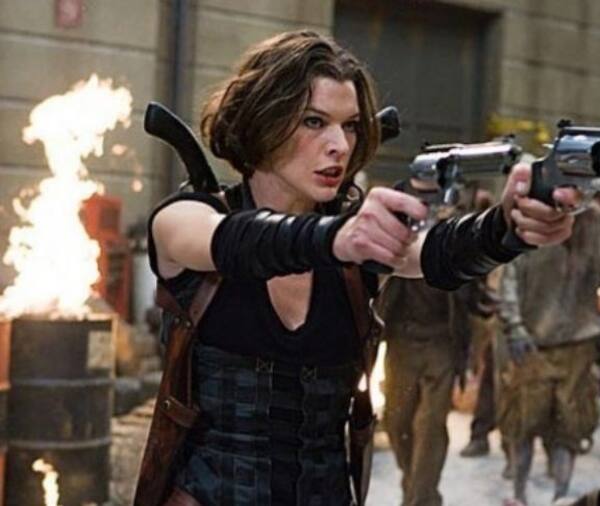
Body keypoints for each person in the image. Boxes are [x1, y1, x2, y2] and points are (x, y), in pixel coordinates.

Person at [138, 30, 576, 506]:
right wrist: (338, 237)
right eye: (314, 121)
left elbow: (438, 252)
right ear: (262, 120)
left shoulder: (355, 254)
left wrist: (509, 226)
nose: (339, 146)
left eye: (349, 126)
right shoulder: (187, 219)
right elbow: (238, 241)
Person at [496, 200, 600, 505]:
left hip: (577, 345)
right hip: (533, 344)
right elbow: (508, 273)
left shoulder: (596, 221)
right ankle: (519, 495)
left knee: (569, 429)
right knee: (523, 424)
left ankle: (560, 498)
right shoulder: (531, 213)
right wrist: (514, 325)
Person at [377, 275, 472, 506]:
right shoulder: (396, 259)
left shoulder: (450, 255)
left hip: (441, 342)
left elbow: (469, 295)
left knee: (430, 424)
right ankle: (416, 486)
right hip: (402, 342)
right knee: (397, 422)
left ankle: (422, 498)